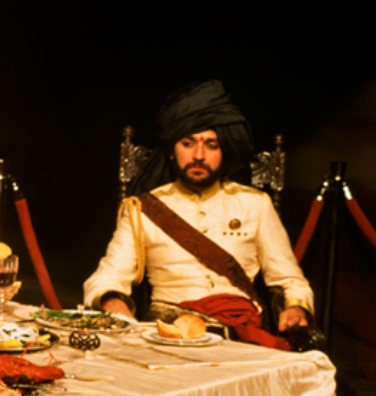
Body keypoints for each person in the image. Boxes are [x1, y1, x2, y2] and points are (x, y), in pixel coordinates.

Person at [83, 80, 316, 351]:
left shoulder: (255, 204)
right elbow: (107, 277)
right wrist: (114, 303)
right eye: (188, 143)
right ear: (172, 152)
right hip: (169, 335)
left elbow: (290, 280)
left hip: (240, 336)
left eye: (211, 145)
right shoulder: (143, 209)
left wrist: (296, 307)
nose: (198, 155)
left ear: (224, 151)